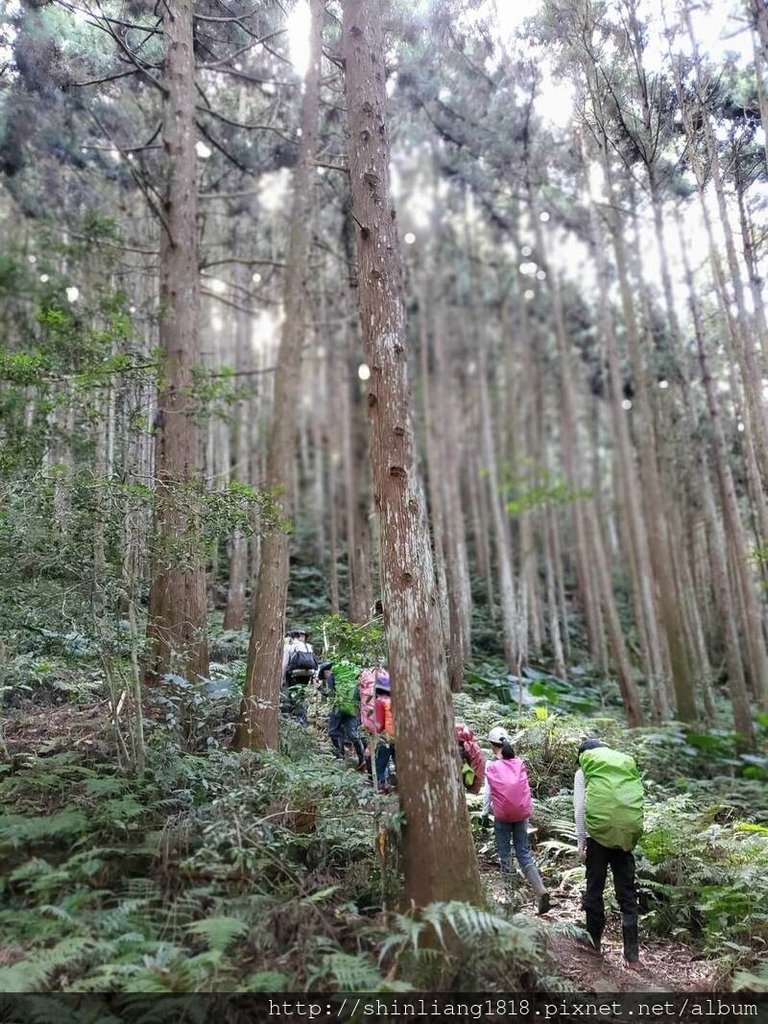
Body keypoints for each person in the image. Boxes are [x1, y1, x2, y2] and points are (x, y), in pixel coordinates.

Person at [574, 738, 644, 966]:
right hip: (624, 837)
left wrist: (581, 842)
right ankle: (632, 956)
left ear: (584, 755)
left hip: (598, 838)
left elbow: (580, 808)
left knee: (595, 889)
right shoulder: (622, 766)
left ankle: (594, 946)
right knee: (627, 893)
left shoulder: (585, 770)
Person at [481, 726, 550, 915]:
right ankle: (540, 890)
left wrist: (484, 814)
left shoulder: (491, 765)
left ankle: (510, 900)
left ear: (491, 745)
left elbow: (487, 793)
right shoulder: (519, 762)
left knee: (505, 855)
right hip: (521, 814)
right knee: (524, 853)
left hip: (502, 816)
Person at [319, 661, 366, 769]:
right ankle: (362, 759)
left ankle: (340, 756)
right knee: (353, 734)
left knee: (332, 731)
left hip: (339, 706)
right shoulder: (349, 675)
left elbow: (331, 693)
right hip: (351, 706)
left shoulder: (332, 675)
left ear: (326, 671)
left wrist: (320, 689)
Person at [281, 627, 317, 724]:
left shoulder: (289, 647)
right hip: (307, 675)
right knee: (301, 696)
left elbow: (284, 664)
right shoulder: (308, 647)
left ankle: (294, 720)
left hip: (294, 675)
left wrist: (283, 678)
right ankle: (302, 718)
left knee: (291, 696)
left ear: (292, 637)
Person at [371, 670, 395, 793]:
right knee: (398, 763)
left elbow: (379, 724)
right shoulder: (395, 700)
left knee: (380, 763)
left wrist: (374, 734)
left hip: (386, 737)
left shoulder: (379, 701)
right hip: (399, 737)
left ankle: (382, 786)